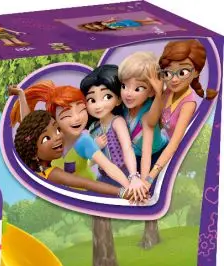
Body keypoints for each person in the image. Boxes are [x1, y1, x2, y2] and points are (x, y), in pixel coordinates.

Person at [12, 110, 135, 199]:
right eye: (46, 138)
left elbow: (27, 127)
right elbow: (87, 183)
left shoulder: (34, 170)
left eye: (57, 130)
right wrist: (122, 192)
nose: (58, 137)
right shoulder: (51, 173)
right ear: (32, 152)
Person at [145, 40, 219, 186]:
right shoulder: (167, 92)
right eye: (168, 73)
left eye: (182, 72)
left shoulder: (188, 104)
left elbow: (174, 144)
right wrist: (158, 94)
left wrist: (150, 177)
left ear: (196, 72)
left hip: (182, 155)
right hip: (163, 149)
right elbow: (151, 122)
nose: (174, 79)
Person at [80, 65, 148, 200]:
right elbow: (89, 162)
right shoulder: (93, 128)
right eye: (92, 100)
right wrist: (95, 147)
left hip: (125, 174)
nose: (98, 105)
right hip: (104, 176)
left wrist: (133, 176)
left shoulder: (117, 122)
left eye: (106, 97)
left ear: (118, 100)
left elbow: (127, 148)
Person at [9, 81, 95, 183]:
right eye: (67, 115)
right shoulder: (52, 145)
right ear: (55, 119)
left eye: (81, 110)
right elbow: (28, 125)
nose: (76, 118)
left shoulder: (84, 141)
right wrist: (21, 95)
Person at [117, 51, 169, 179]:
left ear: (151, 92)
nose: (128, 93)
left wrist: (145, 181)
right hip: (134, 153)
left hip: (155, 153)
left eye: (137, 89)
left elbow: (147, 153)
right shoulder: (122, 107)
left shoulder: (147, 115)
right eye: (124, 86)